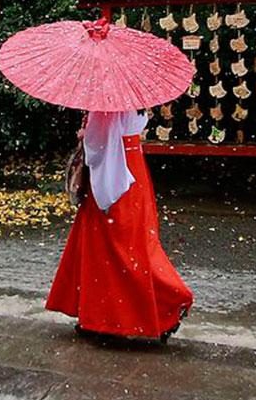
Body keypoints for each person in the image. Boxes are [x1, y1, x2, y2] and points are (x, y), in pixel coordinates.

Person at [46, 110, 193, 342]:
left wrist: (85, 135)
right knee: (135, 245)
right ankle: (147, 311)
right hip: (132, 165)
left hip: (114, 173)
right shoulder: (133, 99)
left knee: (111, 248)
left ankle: (155, 306)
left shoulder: (106, 101)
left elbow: (97, 147)